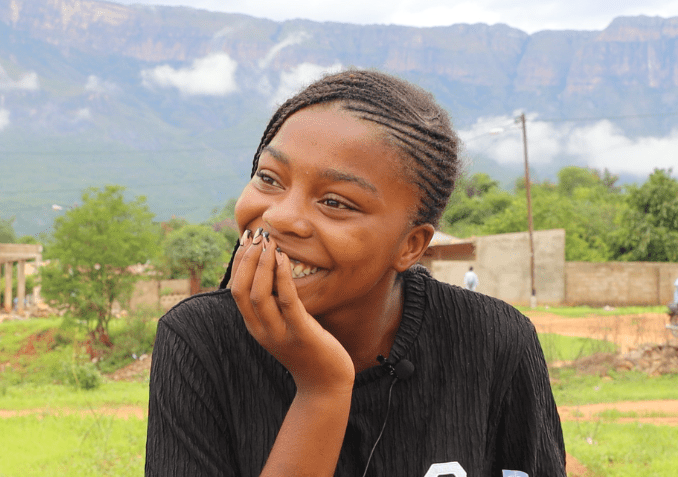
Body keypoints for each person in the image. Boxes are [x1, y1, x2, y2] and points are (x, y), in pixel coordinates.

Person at [145, 70, 566, 477]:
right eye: (269, 178)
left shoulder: (494, 343)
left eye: (335, 202)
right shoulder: (199, 341)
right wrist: (321, 390)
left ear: (410, 245)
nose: (281, 216)